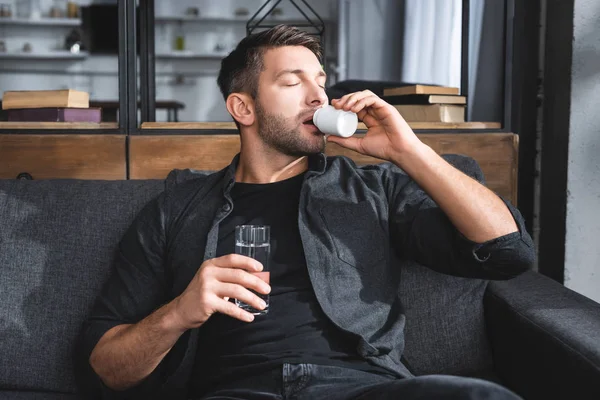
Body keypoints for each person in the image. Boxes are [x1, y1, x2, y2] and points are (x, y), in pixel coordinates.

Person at [75, 25, 535, 400]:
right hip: (238, 391)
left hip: (364, 388)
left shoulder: (372, 189)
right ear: (243, 107)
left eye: (320, 81)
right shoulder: (178, 208)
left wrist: (406, 150)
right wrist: (179, 312)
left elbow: (508, 252)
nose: (318, 97)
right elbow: (106, 368)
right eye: (293, 82)